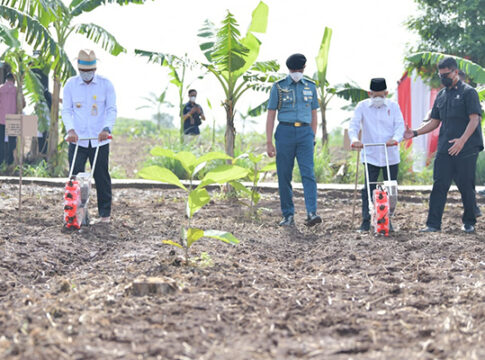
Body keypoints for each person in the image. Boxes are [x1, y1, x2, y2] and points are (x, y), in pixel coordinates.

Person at [404, 57, 483, 233]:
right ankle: (433, 224)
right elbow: (434, 121)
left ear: (455, 72)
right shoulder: (441, 95)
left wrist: (462, 141)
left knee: (466, 185)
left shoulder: (469, 93)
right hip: (445, 147)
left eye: (446, 74)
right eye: (441, 75)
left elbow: (474, 119)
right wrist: (415, 132)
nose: (443, 78)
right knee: (439, 184)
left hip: (466, 148)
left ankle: (469, 222)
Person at [266, 53, 322, 227]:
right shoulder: (279, 87)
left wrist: (312, 137)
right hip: (284, 132)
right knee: (284, 175)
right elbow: (271, 115)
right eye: (294, 70)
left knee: (308, 174)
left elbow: (314, 115)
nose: (297, 72)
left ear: (304, 69)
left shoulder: (311, 87)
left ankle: (311, 213)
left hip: (305, 133)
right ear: (289, 70)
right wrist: (269, 141)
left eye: (299, 69)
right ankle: (288, 215)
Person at [63, 49, 117, 223]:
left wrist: (107, 129)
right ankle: (75, 214)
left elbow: (111, 109)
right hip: (77, 140)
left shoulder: (106, 85)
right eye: (83, 71)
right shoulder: (70, 85)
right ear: (79, 70)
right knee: (75, 178)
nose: (87, 75)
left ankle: (104, 214)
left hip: (99, 139)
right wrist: (70, 130)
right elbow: (66, 110)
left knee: (101, 176)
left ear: (95, 69)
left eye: (89, 71)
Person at [348, 78, 405, 232]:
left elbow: (400, 126)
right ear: (370, 93)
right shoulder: (362, 107)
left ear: (386, 93)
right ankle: (366, 220)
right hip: (371, 153)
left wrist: (395, 139)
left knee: (390, 188)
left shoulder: (393, 106)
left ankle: (387, 220)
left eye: (381, 95)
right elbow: (353, 125)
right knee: (368, 188)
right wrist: (354, 140)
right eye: (375, 95)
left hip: (390, 154)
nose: (378, 98)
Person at [0, 73, 18, 165]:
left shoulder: (1, 88)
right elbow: (22, 104)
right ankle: (10, 161)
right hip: (13, 118)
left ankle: (0, 161)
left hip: (1, 118)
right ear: (13, 80)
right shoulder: (17, 90)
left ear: (6, 79)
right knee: (12, 141)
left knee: (0, 141)